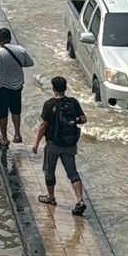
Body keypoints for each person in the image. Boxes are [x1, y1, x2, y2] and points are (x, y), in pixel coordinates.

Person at [31, 75, 88, 216]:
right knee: (73, 173)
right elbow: (83, 119)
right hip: (69, 144)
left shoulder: (49, 104)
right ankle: (80, 200)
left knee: (49, 171)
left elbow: (43, 125)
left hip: (53, 144)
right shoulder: (73, 102)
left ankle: (51, 198)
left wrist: (36, 143)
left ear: (53, 88)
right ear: (65, 88)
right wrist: (73, 120)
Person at [0, 26, 36, 148]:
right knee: (16, 111)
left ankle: (4, 138)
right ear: (10, 38)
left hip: (3, 89)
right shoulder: (21, 50)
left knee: (2, 114)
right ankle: (17, 135)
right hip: (17, 88)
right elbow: (30, 63)